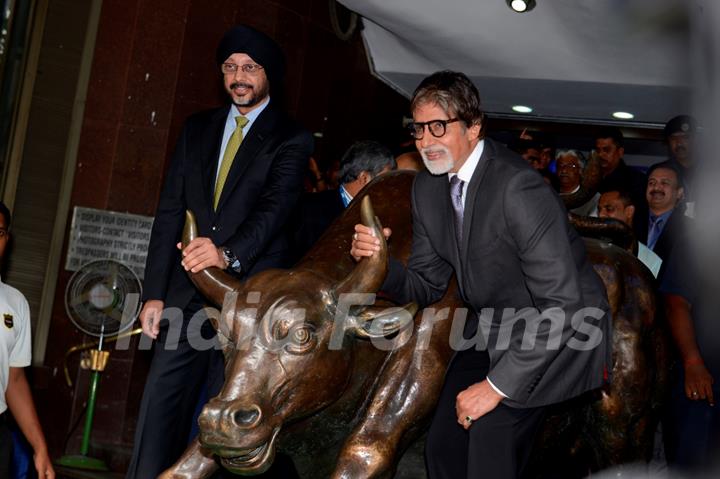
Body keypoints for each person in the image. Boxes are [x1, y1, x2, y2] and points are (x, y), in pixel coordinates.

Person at [351, 71, 611, 479]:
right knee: (444, 451)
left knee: (490, 444)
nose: (425, 140)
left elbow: (562, 305)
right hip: (491, 325)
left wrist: (496, 387)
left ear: (474, 127)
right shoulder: (427, 189)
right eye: (418, 128)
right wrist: (380, 264)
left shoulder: (518, 188)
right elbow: (426, 283)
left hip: (559, 328)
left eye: (439, 126)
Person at [128, 25, 313, 477]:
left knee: (227, 416)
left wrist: (227, 254)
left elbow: (275, 210)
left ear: (269, 75)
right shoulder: (197, 128)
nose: (239, 76)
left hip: (248, 299)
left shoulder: (291, 137)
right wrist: (154, 293)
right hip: (185, 292)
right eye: (230, 67)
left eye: (250, 67)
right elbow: (170, 209)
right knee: (158, 405)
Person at [0, 202, 54, 479]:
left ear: (7, 239)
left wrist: (39, 447)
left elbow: (15, 380)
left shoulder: (15, 302)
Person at [659, 243, 719, 473]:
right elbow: (676, 304)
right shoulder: (698, 244)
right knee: (692, 462)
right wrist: (693, 362)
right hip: (704, 381)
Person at [290, 140, 395, 262]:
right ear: (364, 178)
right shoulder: (310, 209)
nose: (389, 188)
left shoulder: (381, 217)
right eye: (385, 181)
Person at [634, 163, 689, 276]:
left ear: (679, 193)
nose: (656, 188)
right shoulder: (630, 220)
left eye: (664, 183)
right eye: (651, 183)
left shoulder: (690, 229)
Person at [597, 190, 662, 278]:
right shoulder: (589, 246)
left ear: (629, 212)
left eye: (609, 209)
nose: (601, 215)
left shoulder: (650, 261)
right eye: (599, 209)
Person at [556, 149, 599, 217]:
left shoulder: (594, 198)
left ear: (580, 170)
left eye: (571, 166)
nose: (564, 170)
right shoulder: (550, 195)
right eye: (560, 166)